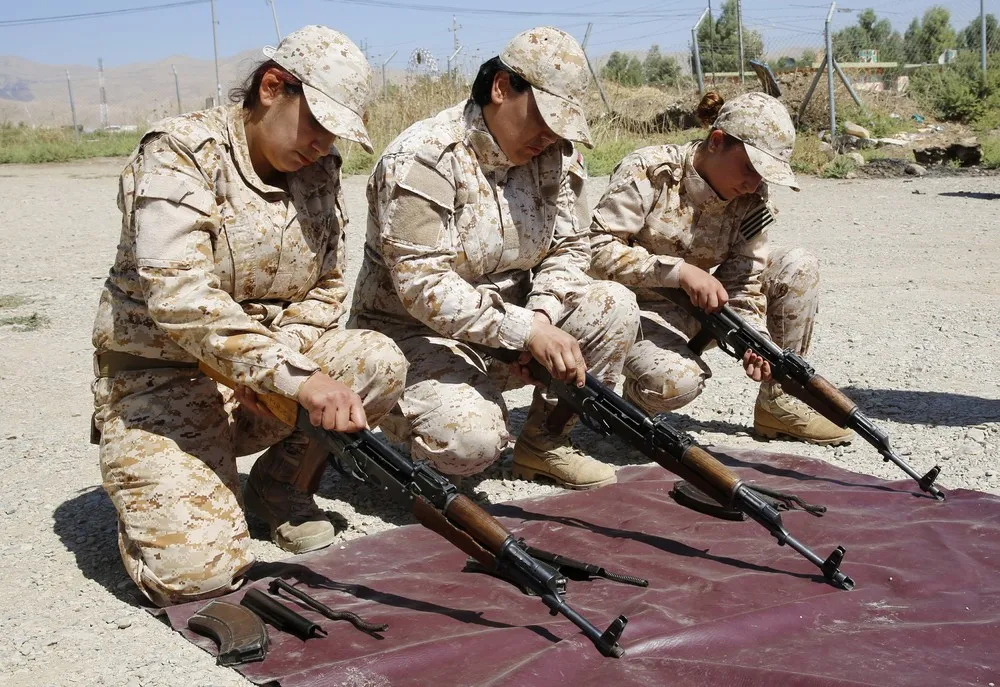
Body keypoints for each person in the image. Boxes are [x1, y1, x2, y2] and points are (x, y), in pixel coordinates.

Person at [90, 25, 407, 607]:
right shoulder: (181, 151)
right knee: (199, 575)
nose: (322, 143)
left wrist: (276, 363)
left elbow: (329, 285)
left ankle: (278, 487)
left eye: (335, 132)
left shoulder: (320, 168)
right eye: (316, 124)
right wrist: (281, 373)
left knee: (374, 361)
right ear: (271, 87)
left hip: (265, 372)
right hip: (162, 380)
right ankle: (175, 488)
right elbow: (180, 294)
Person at [350, 27, 639, 489]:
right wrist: (525, 332)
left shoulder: (554, 156)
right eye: (544, 118)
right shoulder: (424, 157)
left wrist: (541, 317)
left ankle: (543, 445)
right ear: (502, 88)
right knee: (472, 445)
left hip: (514, 328)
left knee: (613, 306)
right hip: (417, 336)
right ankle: (407, 447)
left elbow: (569, 248)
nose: (550, 136)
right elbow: (423, 286)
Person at [588, 91, 852, 445]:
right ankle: (632, 409)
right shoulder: (651, 170)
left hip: (699, 307)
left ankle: (780, 404)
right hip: (628, 310)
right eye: (750, 168)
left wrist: (755, 342)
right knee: (678, 381)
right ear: (716, 142)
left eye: (764, 175)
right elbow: (596, 250)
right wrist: (678, 271)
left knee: (796, 265)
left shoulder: (752, 197)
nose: (754, 183)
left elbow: (745, 281)